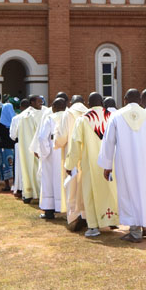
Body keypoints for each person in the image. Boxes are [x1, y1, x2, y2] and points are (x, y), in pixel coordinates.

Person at [98, 88, 146, 243]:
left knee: (128, 192)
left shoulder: (116, 116)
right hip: (145, 160)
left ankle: (135, 231)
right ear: (141, 100)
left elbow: (108, 142)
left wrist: (107, 164)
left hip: (125, 161)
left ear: (124, 99)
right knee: (144, 190)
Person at [65, 92, 118, 237]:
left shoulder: (83, 120)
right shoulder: (112, 117)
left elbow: (75, 145)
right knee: (110, 190)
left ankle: (93, 226)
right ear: (102, 102)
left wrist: (69, 165)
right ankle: (112, 219)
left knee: (90, 193)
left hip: (91, 163)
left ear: (88, 104)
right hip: (111, 161)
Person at [54, 94, 89, 231]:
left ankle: (74, 217)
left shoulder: (68, 113)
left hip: (72, 154)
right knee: (85, 187)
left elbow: (62, 137)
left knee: (72, 187)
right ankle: (86, 215)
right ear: (84, 102)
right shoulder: (89, 113)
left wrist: (56, 143)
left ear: (70, 102)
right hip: (87, 155)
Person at [34, 97, 67, 219]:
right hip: (66, 151)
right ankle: (68, 209)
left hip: (53, 152)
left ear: (54, 107)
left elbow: (42, 137)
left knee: (49, 181)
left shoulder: (50, 118)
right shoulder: (69, 117)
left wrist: (45, 153)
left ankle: (49, 210)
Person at [16, 95, 44, 204]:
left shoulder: (23, 116)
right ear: (32, 102)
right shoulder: (28, 115)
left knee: (37, 171)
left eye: (41, 102)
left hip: (35, 148)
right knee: (31, 170)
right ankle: (31, 193)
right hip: (32, 148)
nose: (41, 104)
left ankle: (34, 194)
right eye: (39, 102)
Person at [0, 103, 17, 190]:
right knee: (15, 166)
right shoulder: (15, 120)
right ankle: (15, 184)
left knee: (4, 165)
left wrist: (1, 136)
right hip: (14, 147)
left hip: (3, 147)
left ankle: (7, 185)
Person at [10, 99, 29, 198]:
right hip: (31, 146)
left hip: (20, 145)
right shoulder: (35, 116)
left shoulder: (16, 118)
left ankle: (21, 189)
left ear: (21, 107)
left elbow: (13, 135)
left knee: (19, 168)